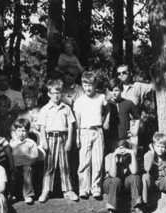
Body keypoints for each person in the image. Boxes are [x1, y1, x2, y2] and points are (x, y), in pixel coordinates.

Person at [37, 78, 78, 203]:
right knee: (49, 166)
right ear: (49, 93)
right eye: (54, 93)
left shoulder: (66, 108)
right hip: (50, 138)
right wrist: (44, 141)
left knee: (65, 165)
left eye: (59, 92)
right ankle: (46, 190)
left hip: (63, 138)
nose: (57, 95)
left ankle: (68, 190)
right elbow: (42, 126)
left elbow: (71, 124)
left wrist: (69, 140)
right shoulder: (45, 109)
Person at [74, 71, 108, 200]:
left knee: (98, 161)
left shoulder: (101, 97)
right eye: (85, 85)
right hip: (84, 131)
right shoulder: (79, 101)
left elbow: (107, 109)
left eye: (90, 85)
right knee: (84, 162)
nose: (88, 88)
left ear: (95, 85)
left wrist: (106, 121)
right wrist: (77, 136)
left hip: (98, 131)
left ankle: (96, 187)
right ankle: (84, 188)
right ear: (82, 85)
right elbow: (77, 121)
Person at [103, 140, 146, 213]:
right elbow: (113, 175)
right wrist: (115, 156)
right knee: (116, 180)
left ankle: (136, 207)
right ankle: (111, 211)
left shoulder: (130, 158)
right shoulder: (109, 156)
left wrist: (132, 154)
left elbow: (134, 171)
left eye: (124, 155)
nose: (122, 157)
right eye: (120, 154)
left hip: (123, 185)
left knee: (135, 177)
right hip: (110, 184)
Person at [10, 118, 41, 204]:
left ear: (27, 131)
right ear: (15, 131)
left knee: (27, 172)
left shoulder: (31, 143)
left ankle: (28, 195)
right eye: (19, 130)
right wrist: (12, 165)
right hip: (16, 165)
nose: (21, 133)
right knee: (11, 174)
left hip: (28, 165)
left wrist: (28, 164)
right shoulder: (12, 142)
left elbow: (35, 157)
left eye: (24, 131)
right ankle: (11, 194)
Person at [142, 133, 166, 208]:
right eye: (158, 146)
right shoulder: (148, 155)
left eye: (163, 147)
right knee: (145, 176)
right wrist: (152, 154)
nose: (160, 149)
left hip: (163, 182)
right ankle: (144, 202)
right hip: (152, 183)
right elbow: (147, 169)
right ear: (153, 146)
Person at [106, 77, 140, 153]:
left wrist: (135, 130)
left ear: (121, 90)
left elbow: (137, 117)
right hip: (111, 139)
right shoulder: (106, 104)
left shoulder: (128, 103)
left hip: (125, 138)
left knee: (128, 160)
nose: (113, 93)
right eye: (111, 90)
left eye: (116, 90)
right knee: (113, 160)